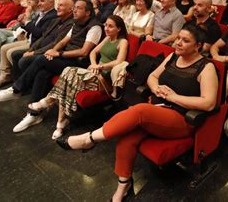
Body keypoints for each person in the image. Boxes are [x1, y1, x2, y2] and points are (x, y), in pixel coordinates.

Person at [56, 24, 218, 202]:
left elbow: (209, 103)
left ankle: (89, 139)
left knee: (139, 110)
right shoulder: (173, 56)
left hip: (181, 119)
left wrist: (173, 97)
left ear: (198, 46)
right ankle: (123, 186)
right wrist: (156, 89)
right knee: (127, 137)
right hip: (157, 111)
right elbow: (152, 76)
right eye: (178, 38)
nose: (178, 43)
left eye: (185, 41)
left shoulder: (206, 67)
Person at [0, 0, 102, 132]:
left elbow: (84, 52)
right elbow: (64, 40)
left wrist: (58, 53)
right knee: (42, 72)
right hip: (65, 57)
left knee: (41, 61)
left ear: (88, 12)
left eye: (78, 8)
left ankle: (17, 89)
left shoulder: (95, 27)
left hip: (79, 63)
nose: (74, 10)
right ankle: (33, 114)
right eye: (74, 8)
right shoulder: (76, 23)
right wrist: (54, 50)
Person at [21, 15, 129, 139]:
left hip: (104, 80)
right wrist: (94, 64)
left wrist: (100, 67)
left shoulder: (122, 42)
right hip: (93, 74)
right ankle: (60, 123)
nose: (106, 28)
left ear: (119, 28)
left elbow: (119, 62)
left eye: (110, 26)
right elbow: (93, 52)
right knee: (68, 77)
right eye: (105, 25)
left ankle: (48, 103)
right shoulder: (107, 39)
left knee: (69, 75)